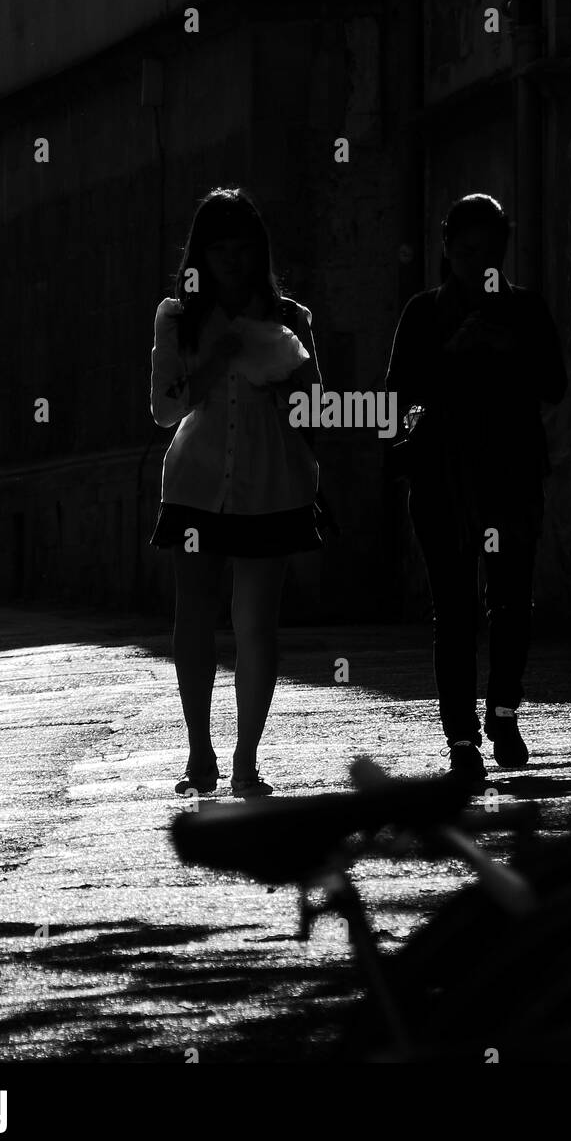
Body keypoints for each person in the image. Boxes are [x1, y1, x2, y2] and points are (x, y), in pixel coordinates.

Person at [385, 194, 567, 788]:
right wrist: (450, 358)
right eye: (465, 252)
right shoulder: (422, 315)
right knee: (455, 611)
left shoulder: (526, 311)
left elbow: (555, 384)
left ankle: (505, 712)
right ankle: (461, 735)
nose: (476, 263)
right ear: (447, 249)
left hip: (511, 479)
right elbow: (398, 406)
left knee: (511, 603)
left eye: (488, 252)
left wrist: (511, 351)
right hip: (442, 483)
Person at [149, 186, 323, 797]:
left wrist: (298, 388)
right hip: (196, 483)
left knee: (256, 624)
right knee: (193, 617)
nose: (232, 261)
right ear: (201, 254)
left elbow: (314, 409)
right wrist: (216, 358)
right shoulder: (178, 318)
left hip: (270, 484)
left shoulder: (290, 318)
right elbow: (165, 407)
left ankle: (248, 757)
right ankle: (200, 750)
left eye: (243, 249)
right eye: (219, 249)